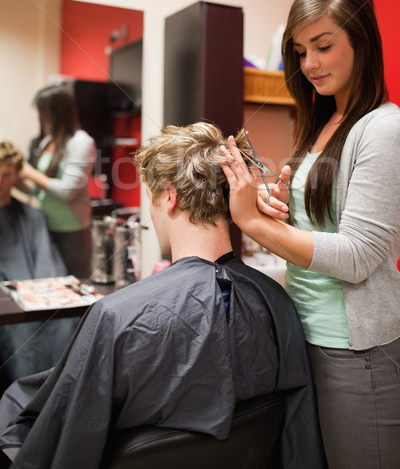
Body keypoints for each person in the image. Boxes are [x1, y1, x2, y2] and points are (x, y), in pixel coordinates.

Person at [0, 122, 326, 469]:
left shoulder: (114, 316)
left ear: (169, 196)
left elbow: (65, 435)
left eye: (151, 200)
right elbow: (297, 436)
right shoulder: (276, 302)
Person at [221, 0, 400, 469]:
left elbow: (358, 258)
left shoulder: (383, 128)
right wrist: (280, 205)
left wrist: (251, 223)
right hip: (305, 332)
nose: (310, 64)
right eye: (300, 52)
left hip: (354, 350)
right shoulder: (323, 122)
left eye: (323, 46)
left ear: (361, 42)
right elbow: (321, 229)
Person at [0, 141, 76, 394]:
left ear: (16, 176)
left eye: (6, 174)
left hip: (34, 291)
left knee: (65, 321)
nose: (0, 181)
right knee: (17, 330)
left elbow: (48, 265)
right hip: (7, 302)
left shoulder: (31, 216)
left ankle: (54, 396)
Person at [19, 84, 95, 279]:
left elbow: (67, 192)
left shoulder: (81, 142)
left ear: (57, 112)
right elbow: (37, 190)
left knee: (75, 290)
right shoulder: (47, 142)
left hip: (71, 232)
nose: (41, 117)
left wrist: (31, 173)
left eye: (43, 111)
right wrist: (13, 181)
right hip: (44, 226)